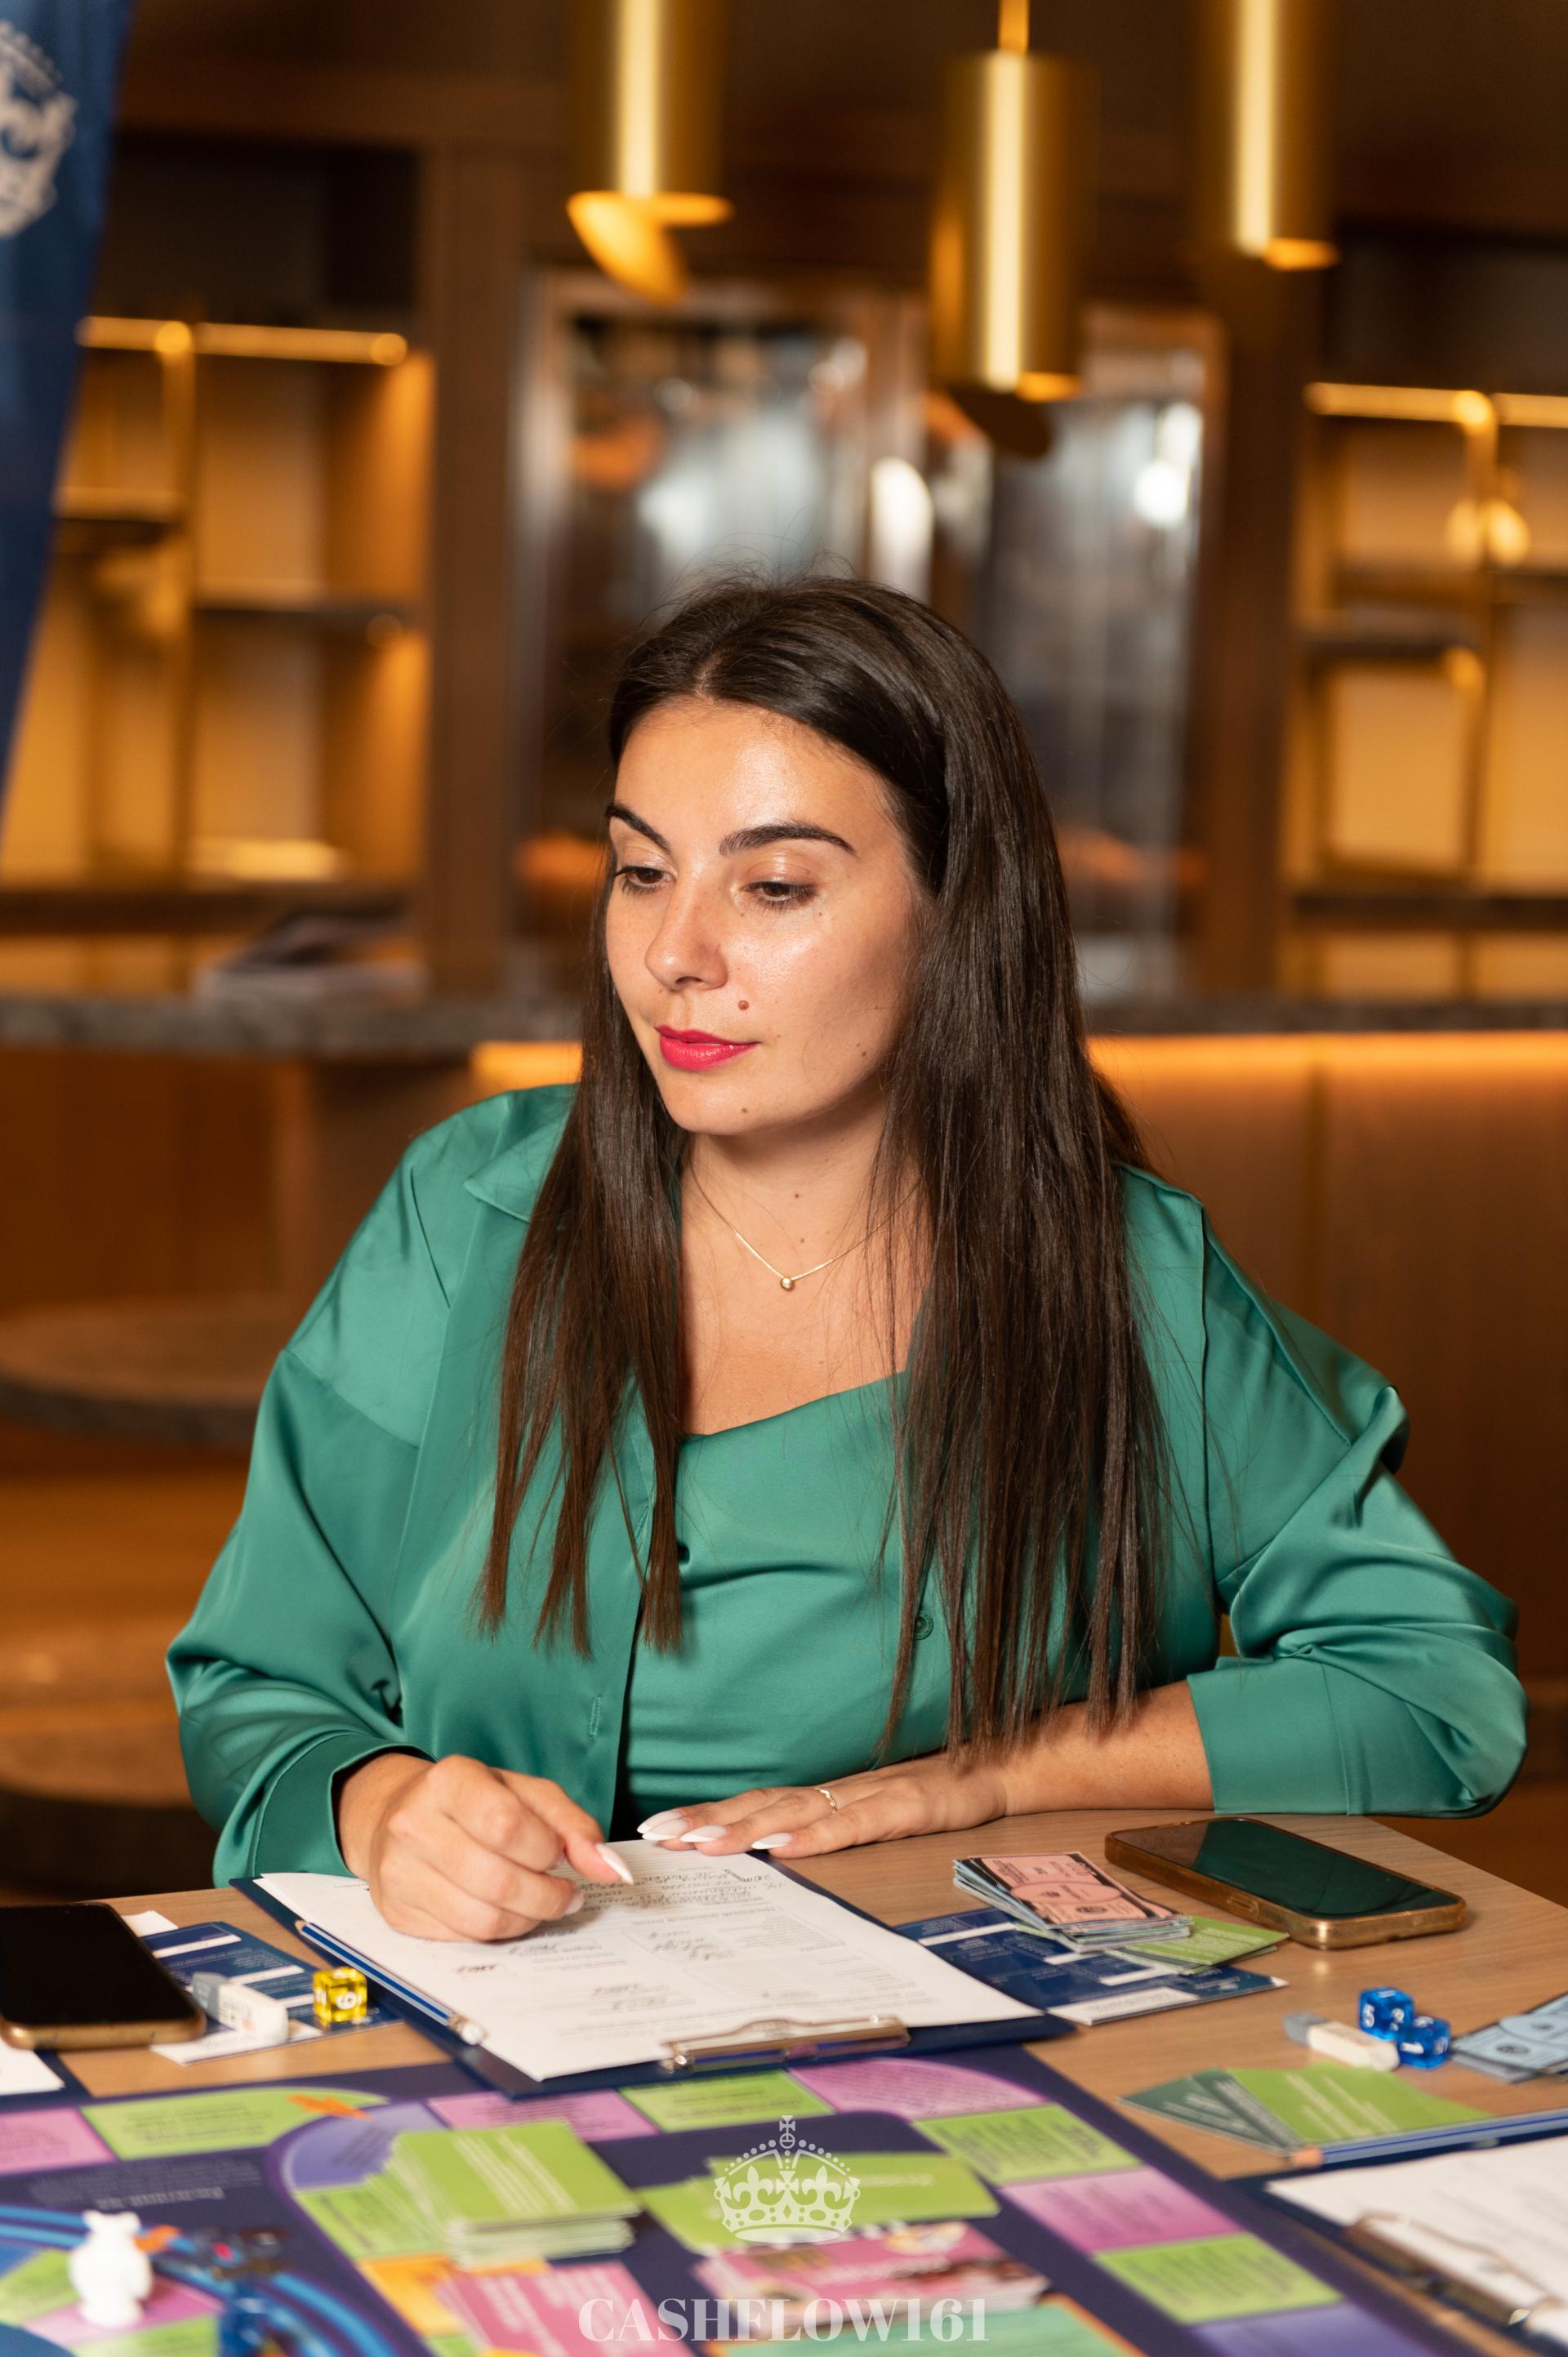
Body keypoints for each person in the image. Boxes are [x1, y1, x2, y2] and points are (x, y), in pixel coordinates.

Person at [170, 577, 1526, 1942]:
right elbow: (258, 1681)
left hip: (958, 2031)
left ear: (954, 910)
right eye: (641, 870)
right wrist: (382, 1808)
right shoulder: (468, 1212)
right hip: (491, 2021)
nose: (675, 953)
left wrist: (990, 1776)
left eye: (773, 886)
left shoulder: (1132, 1283)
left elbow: (1432, 1694)